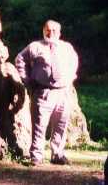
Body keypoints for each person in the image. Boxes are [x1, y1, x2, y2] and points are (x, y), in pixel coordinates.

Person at [15, 20, 78, 166]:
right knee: (39, 126)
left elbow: (74, 61)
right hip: (43, 93)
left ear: (59, 33)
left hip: (63, 92)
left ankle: (57, 154)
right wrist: (26, 79)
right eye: (48, 30)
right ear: (43, 30)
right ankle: (36, 157)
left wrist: (70, 76)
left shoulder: (67, 47)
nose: (51, 33)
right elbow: (20, 60)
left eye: (54, 31)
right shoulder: (35, 47)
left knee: (61, 125)